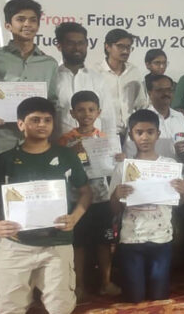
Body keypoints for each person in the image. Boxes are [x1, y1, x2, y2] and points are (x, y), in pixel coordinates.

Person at [0, 97, 92, 313]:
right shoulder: (5, 160)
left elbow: (86, 193)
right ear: (21, 124)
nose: (42, 125)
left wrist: (74, 218)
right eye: (35, 120)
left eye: (47, 120)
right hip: (15, 243)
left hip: (57, 244)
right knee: (8, 307)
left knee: (60, 307)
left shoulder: (67, 156)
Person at [109, 109, 184, 303]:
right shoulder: (123, 168)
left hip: (161, 239)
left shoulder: (169, 165)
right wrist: (117, 196)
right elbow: (114, 210)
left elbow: (179, 203)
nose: (145, 137)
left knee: (159, 297)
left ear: (158, 134)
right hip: (131, 239)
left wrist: (182, 192)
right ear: (131, 135)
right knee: (134, 297)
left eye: (150, 132)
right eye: (139, 132)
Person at [57, 90, 122, 300]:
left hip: (102, 198)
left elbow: (113, 170)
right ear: (72, 113)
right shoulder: (65, 141)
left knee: (104, 243)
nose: (86, 114)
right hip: (76, 201)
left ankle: (106, 282)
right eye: (81, 110)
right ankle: (79, 285)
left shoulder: (106, 139)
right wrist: (70, 154)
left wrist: (119, 159)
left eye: (91, 110)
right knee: (79, 245)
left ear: (98, 112)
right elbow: (58, 169)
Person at [0, 0, 58, 159]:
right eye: (20, 19)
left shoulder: (49, 63)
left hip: (37, 142)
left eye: (33, 20)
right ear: (8, 25)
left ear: (38, 25)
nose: (27, 24)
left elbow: (52, 101)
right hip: (1, 141)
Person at [54, 22, 116, 139]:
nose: (77, 48)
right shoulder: (52, 78)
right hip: (61, 146)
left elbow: (109, 120)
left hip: (95, 146)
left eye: (81, 43)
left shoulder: (97, 79)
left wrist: (112, 147)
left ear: (87, 44)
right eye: (70, 43)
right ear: (59, 46)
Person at [124, 75, 184, 179]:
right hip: (149, 178)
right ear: (150, 93)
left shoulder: (181, 119)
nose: (166, 94)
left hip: (179, 180)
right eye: (160, 90)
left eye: (169, 90)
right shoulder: (140, 120)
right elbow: (131, 155)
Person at [96, 28, 147, 139]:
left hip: (130, 134)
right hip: (103, 133)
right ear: (107, 47)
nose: (125, 51)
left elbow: (141, 104)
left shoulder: (134, 71)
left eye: (128, 47)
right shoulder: (95, 72)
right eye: (120, 46)